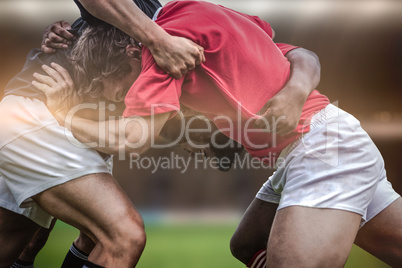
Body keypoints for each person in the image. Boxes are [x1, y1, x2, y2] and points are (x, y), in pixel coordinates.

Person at [35, 1, 402, 267]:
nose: (118, 97)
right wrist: (297, 87)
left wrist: (60, 113)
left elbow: (129, 138)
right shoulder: (194, 11)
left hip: (322, 149)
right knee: (246, 245)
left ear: (132, 52)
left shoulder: (160, 57)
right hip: (320, 143)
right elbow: (300, 53)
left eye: (111, 86)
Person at [0, 0, 194, 267]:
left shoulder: (157, 26)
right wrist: (158, 39)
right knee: (124, 236)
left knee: (20, 238)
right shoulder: (152, 23)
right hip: (36, 112)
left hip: (66, 122)